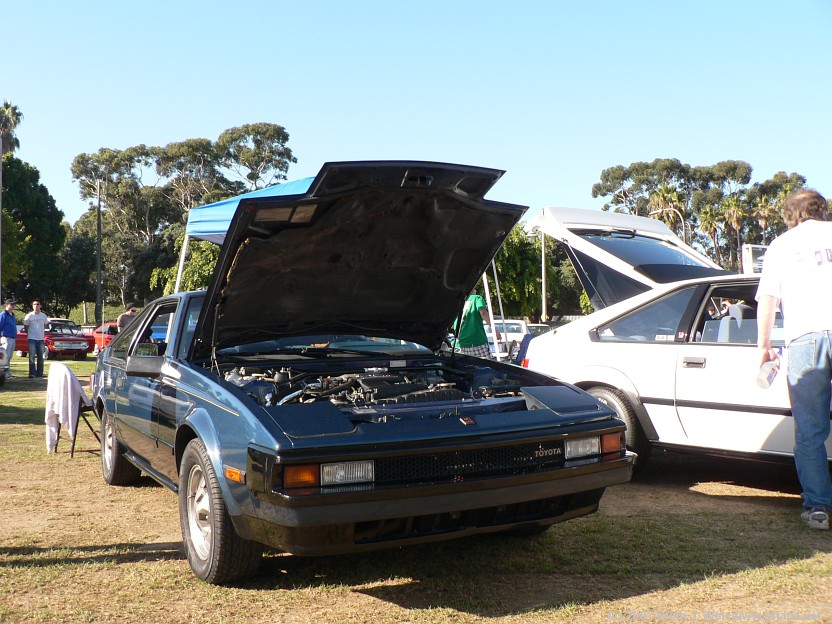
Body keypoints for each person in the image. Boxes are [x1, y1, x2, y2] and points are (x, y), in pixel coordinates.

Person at [756, 188, 832, 530]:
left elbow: (768, 301)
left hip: (804, 338)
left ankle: (818, 508)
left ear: (790, 215)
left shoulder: (781, 245)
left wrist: (764, 346)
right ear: (822, 209)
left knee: (810, 430)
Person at [455, 288, 500, 358]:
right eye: (475, 289)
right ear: (473, 290)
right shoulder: (477, 298)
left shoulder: (459, 301)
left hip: (463, 342)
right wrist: (495, 330)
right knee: (486, 363)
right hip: (477, 340)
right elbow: (483, 313)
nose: (476, 290)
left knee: (468, 364)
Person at [23, 299, 48, 379]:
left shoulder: (43, 316)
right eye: (34, 304)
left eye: (37, 304)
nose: (36, 306)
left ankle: (40, 373)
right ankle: (32, 373)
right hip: (32, 338)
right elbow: (26, 327)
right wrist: (30, 334)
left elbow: (45, 325)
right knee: (32, 356)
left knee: (40, 356)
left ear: (40, 306)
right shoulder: (29, 316)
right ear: (32, 306)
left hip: (41, 339)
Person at [0, 299, 17, 379]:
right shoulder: (3, 314)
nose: (13, 306)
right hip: (6, 338)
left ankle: (8, 372)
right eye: (11, 304)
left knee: (9, 356)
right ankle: (4, 373)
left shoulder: (12, 315)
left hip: (12, 338)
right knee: (5, 356)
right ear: (7, 305)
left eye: (14, 305)